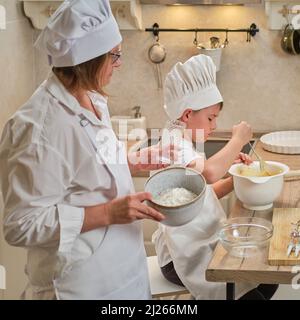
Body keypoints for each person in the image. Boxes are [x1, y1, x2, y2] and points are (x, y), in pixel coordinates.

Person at [0, 0, 176, 300]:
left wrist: (131, 161)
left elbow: (86, 165)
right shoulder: (39, 129)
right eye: (115, 56)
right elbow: (20, 225)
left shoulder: (90, 98)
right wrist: (109, 212)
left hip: (124, 274)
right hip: (79, 285)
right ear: (89, 60)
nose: (119, 64)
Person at [153, 54, 278, 300]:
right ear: (187, 114)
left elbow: (203, 194)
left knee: (266, 280)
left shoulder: (185, 140)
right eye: (210, 118)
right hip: (182, 256)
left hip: (202, 241)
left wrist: (234, 179)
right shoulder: (173, 143)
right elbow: (209, 173)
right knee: (251, 292)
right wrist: (238, 140)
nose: (213, 125)